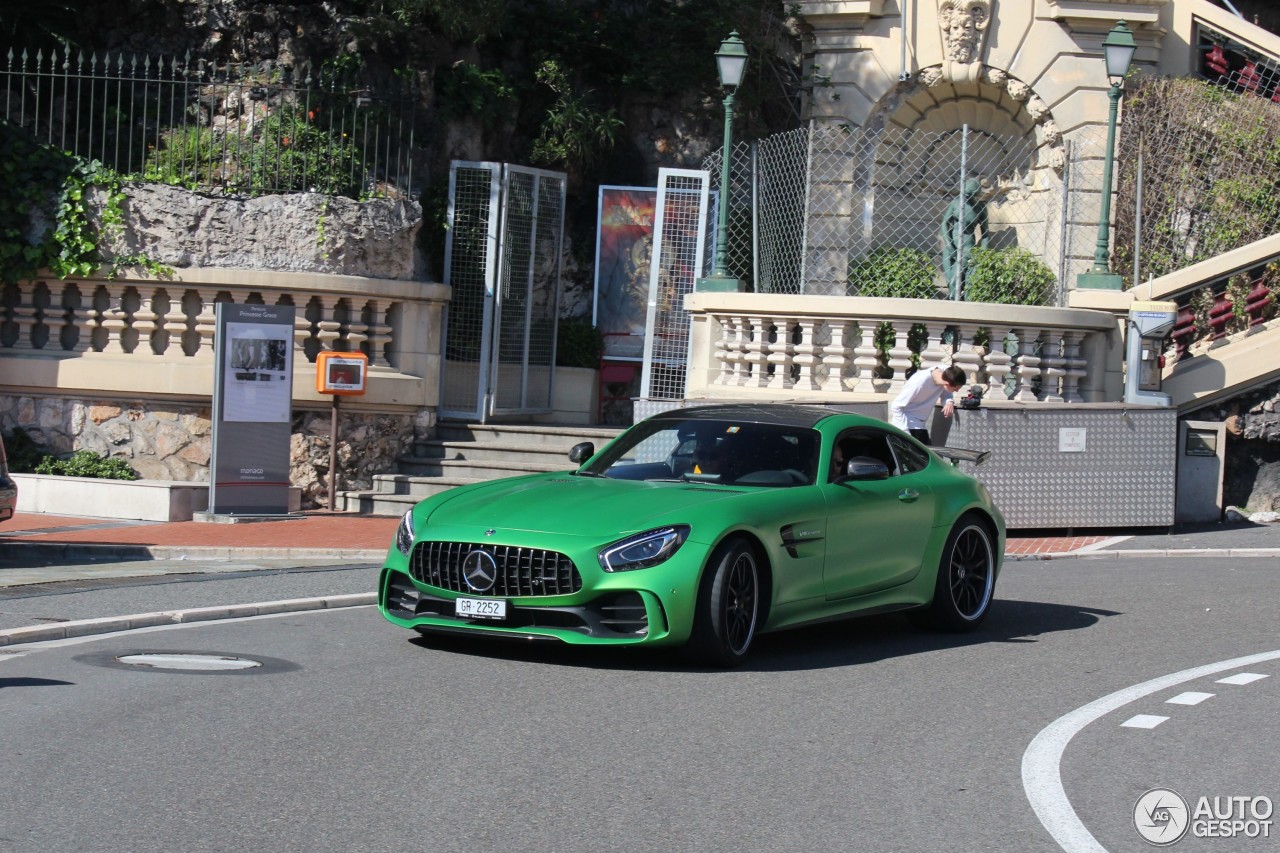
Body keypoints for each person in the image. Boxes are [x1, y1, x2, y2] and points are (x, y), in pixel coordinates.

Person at [889, 364, 967, 445]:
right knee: (924, 456)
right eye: (956, 389)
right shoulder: (919, 382)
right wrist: (905, 433)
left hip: (919, 424)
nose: (957, 391)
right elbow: (896, 405)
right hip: (907, 425)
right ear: (946, 383)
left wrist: (949, 401)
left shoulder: (947, 372)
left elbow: (946, 392)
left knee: (928, 454)